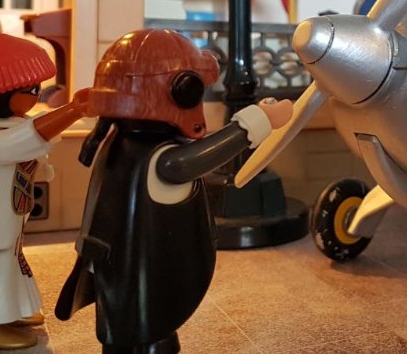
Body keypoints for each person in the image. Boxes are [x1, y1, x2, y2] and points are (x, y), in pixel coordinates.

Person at [55, 29, 292, 354]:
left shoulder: (117, 141)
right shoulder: (161, 160)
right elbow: (201, 157)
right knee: (148, 337)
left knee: (124, 334)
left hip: (117, 271)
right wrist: (261, 119)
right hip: (145, 284)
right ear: (181, 92)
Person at [0, 27, 92, 350]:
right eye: (31, 89)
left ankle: (12, 311)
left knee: (11, 267)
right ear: (2, 94)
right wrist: (73, 110)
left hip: (7, 219)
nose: (37, 94)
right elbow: (35, 135)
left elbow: (35, 131)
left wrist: (73, 110)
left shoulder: (9, 126)